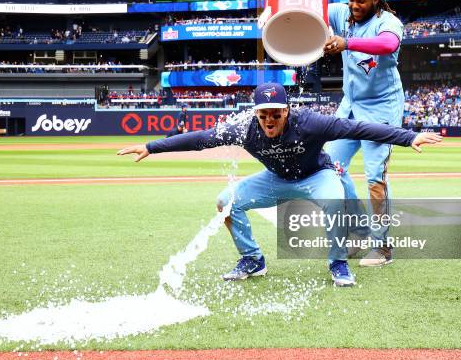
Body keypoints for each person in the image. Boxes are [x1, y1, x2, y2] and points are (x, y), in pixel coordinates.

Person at [119, 83, 441, 287]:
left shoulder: (311, 123)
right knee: (225, 201)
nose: (269, 120)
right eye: (263, 114)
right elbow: (201, 139)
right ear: (256, 114)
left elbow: (359, 127)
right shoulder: (245, 129)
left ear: (287, 111)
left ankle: (339, 263)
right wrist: (152, 146)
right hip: (275, 180)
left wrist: (409, 136)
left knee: (335, 199)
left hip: (317, 176)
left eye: (276, 113)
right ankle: (253, 260)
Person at [261, 0, 406, 267]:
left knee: (375, 179)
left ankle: (383, 247)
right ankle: (359, 232)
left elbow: (388, 45)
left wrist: (347, 43)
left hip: (382, 109)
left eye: (361, 1)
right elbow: (307, 8)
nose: (354, 5)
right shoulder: (343, 13)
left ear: (375, 1)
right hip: (350, 106)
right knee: (332, 169)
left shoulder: (388, 22)